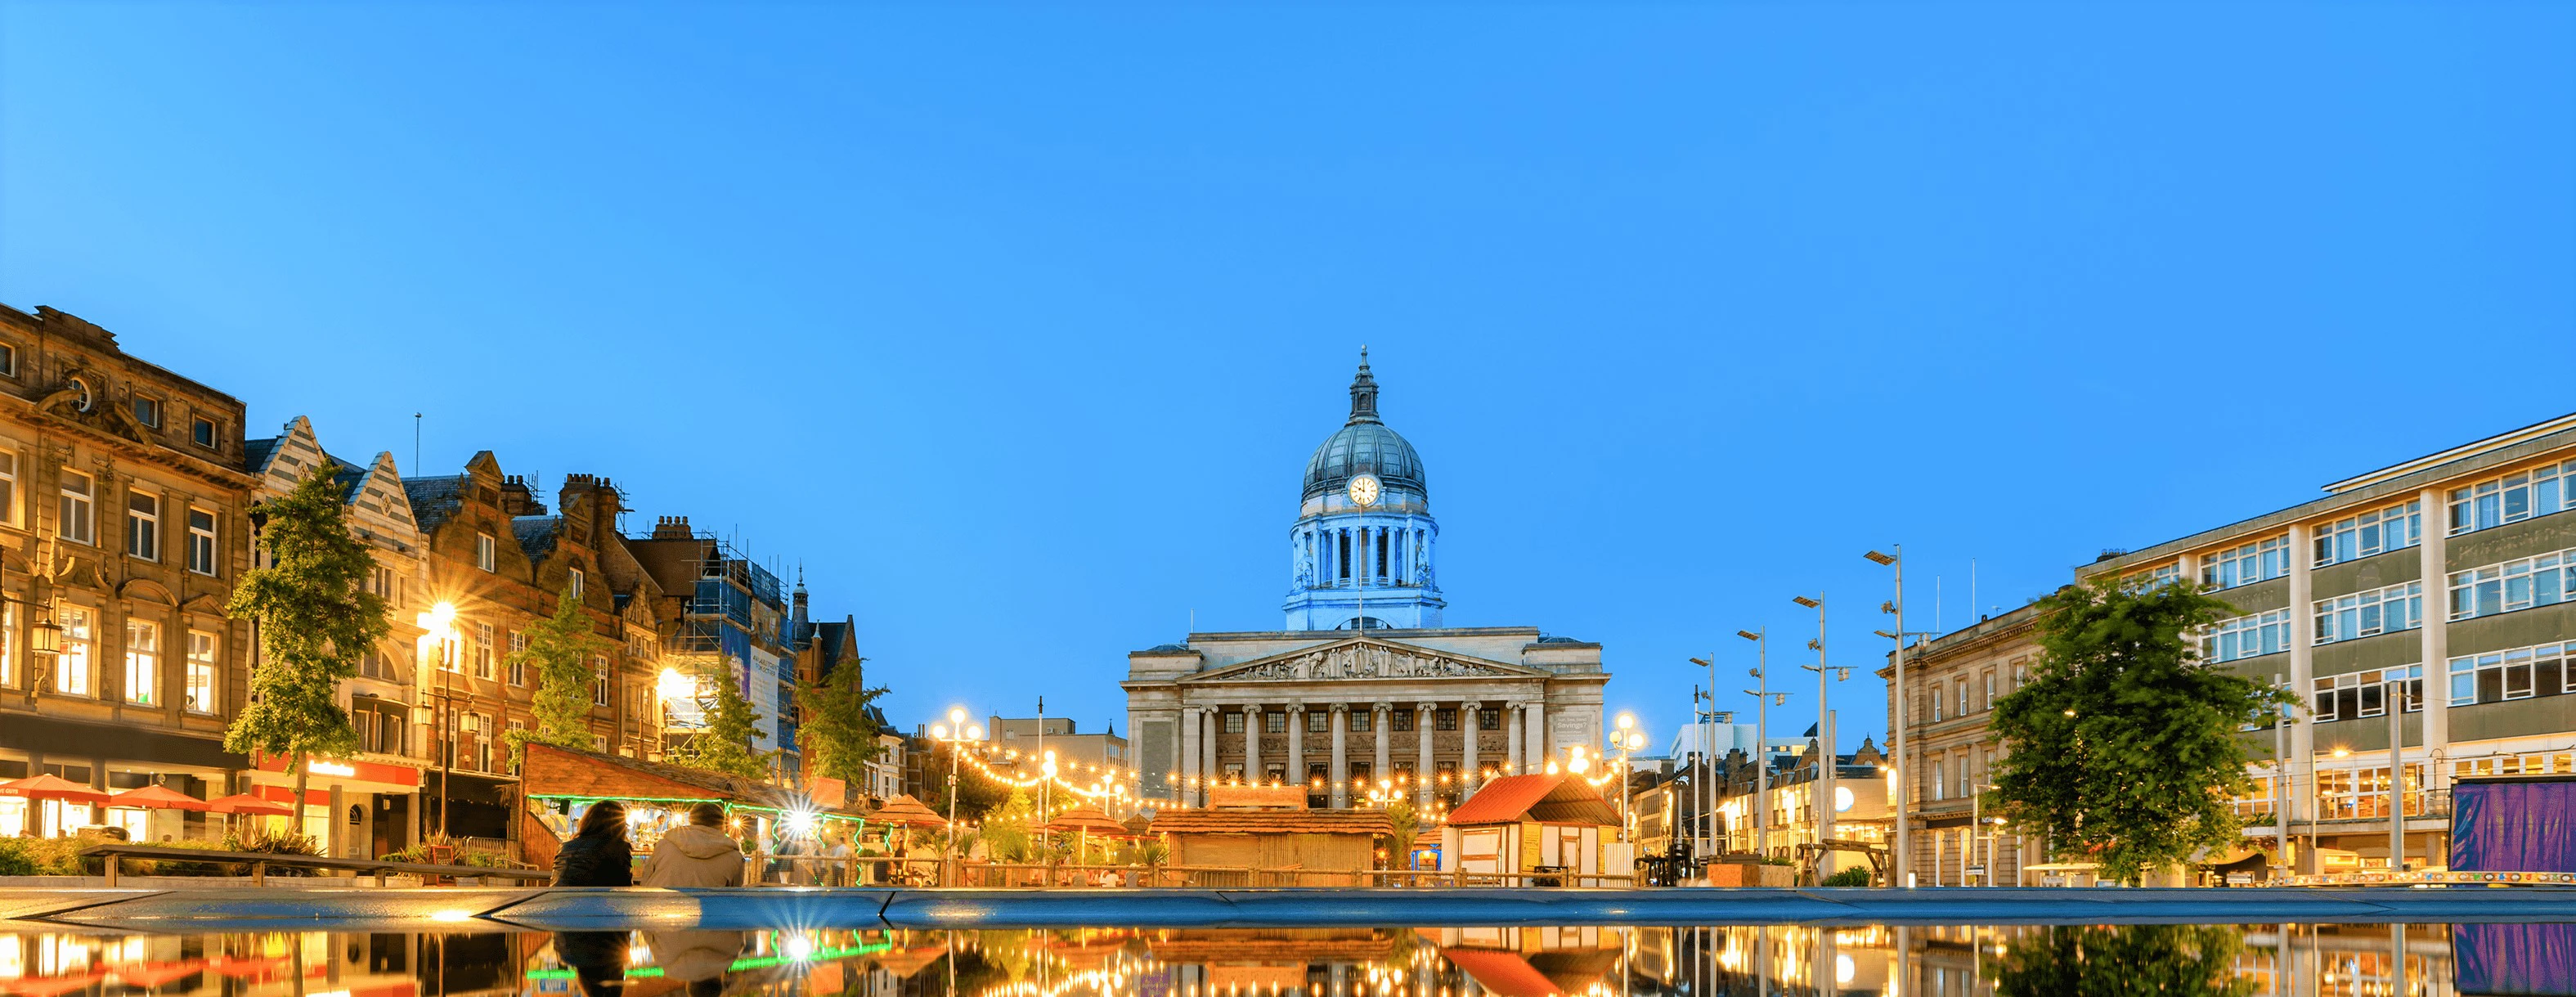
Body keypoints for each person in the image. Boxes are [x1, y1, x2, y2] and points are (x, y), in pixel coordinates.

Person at [639, 802, 746, 887]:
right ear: (723, 824)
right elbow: (733, 898)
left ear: (691, 820)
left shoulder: (664, 845)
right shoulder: (734, 858)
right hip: (707, 913)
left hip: (656, 907)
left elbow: (645, 881)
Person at [553, 801, 635, 887]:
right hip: (590, 899)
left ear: (586, 822)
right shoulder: (619, 848)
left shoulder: (565, 847)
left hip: (554, 898)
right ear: (620, 826)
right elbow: (624, 887)